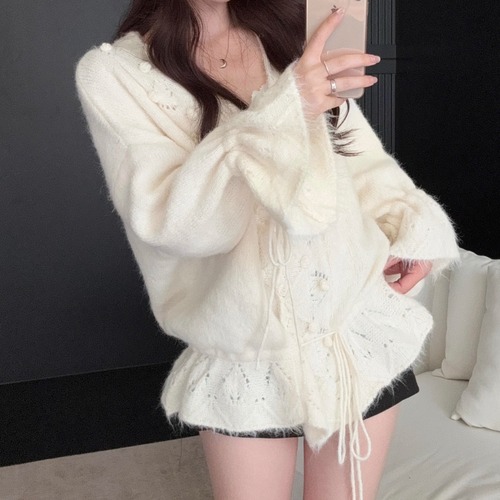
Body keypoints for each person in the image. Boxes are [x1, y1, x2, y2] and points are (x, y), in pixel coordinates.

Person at [75, 0, 459, 498]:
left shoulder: (290, 33)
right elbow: (178, 226)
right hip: (247, 356)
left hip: (355, 328)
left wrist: (411, 230)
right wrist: (285, 106)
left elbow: (360, 160)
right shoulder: (115, 74)